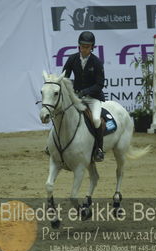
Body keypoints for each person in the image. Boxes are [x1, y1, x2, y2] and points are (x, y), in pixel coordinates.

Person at [62, 31, 105, 162]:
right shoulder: (72, 59)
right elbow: (64, 77)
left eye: (88, 47)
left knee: (96, 120)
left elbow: (100, 85)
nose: (85, 49)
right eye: (82, 46)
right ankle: (52, 144)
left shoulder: (96, 62)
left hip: (93, 98)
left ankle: (99, 149)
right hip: (76, 97)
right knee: (62, 114)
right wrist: (69, 89)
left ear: (92, 47)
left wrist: (84, 92)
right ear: (79, 46)